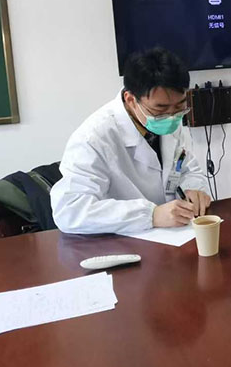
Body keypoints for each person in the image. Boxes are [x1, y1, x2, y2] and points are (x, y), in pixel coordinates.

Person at [51, 48, 212, 234]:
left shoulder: (170, 121)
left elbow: (185, 168)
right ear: (130, 99)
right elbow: (70, 210)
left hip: (172, 234)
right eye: (160, 110)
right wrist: (150, 215)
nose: (171, 117)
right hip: (118, 240)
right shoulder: (94, 138)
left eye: (179, 106)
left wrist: (193, 189)